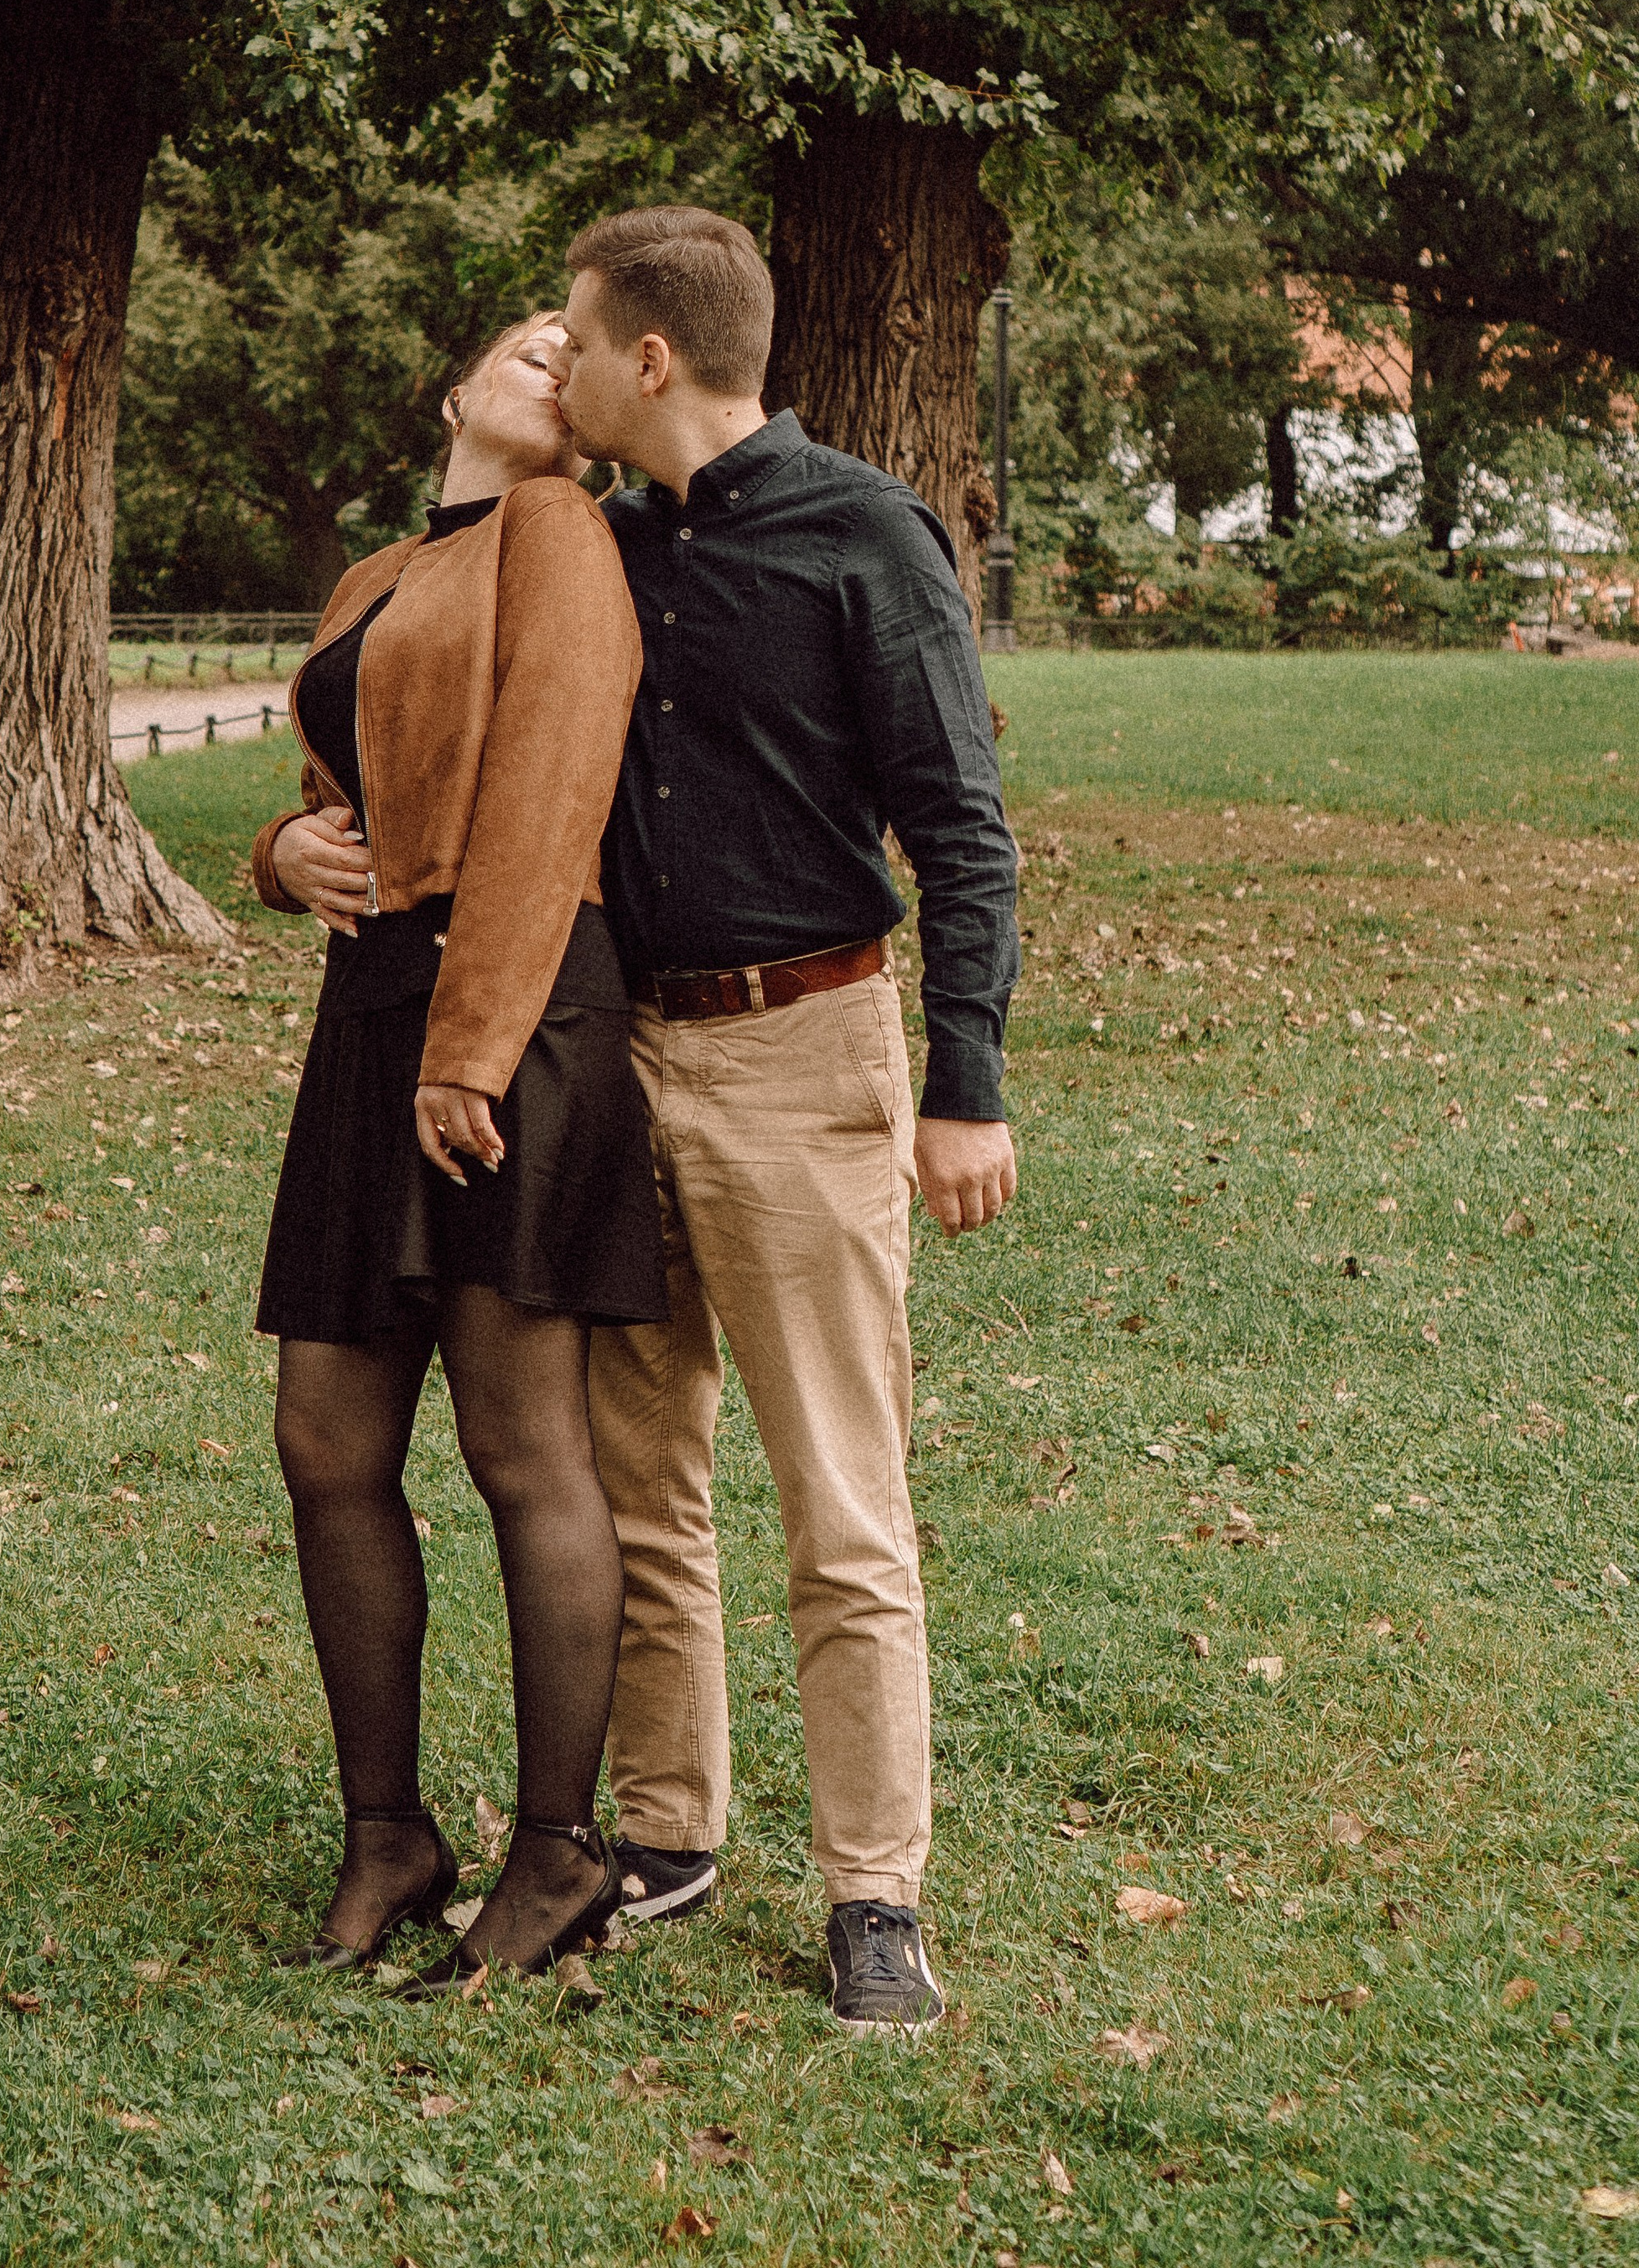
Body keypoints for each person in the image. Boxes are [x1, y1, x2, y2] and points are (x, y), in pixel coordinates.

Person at [548, 206, 1022, 2041]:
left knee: (840, 1493)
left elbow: (961, 828)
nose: (568, 367)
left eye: (579, 339)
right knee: (635, 1470)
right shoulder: (588, 549)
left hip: (803, 1052)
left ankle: (872, 1891)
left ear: (649, 358)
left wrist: (963, 1088)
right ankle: (667, 1834)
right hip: (616, 1059)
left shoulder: (863, 534)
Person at [248, 314, 665, 1993]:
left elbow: (552, 795)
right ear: (456, 381)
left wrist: (473, 1046)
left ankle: (559, 1855)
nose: (545, 357)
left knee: (519, 1447)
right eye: (523, 335)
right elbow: (332, 789)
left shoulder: (559, 537)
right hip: (369, 1019)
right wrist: (282, 853)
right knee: (325, 1435)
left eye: (578, 356)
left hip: (507, 1009)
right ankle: (386, 1836)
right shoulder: (375, 573)